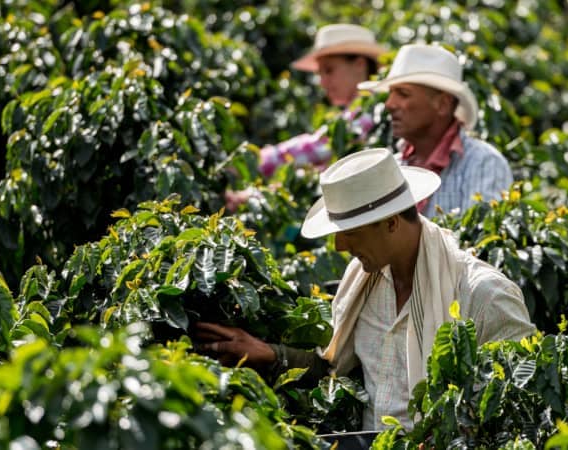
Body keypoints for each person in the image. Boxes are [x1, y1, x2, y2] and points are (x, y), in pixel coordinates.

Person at [196, 148, 535, 430]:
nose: (339, 246)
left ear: (391, 223)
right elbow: (334, 367)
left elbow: (520, 411)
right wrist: (270, 354)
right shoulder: (364, 280)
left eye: (350, 232)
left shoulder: (484, 296)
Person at [225, 24, 386, 210]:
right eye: (320, 73)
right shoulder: (355, 112)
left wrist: (252, 162)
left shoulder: (372, 109)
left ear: (359, 65)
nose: (322, 82)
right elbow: (320, 171)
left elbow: (319, 147)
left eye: (329, 70)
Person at [357, 44, 514, 216]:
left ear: (443, 104)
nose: (389, 104)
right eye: (391, 93)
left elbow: (481, 232)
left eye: (403, 93)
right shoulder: (393, 168)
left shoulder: (483, 163)